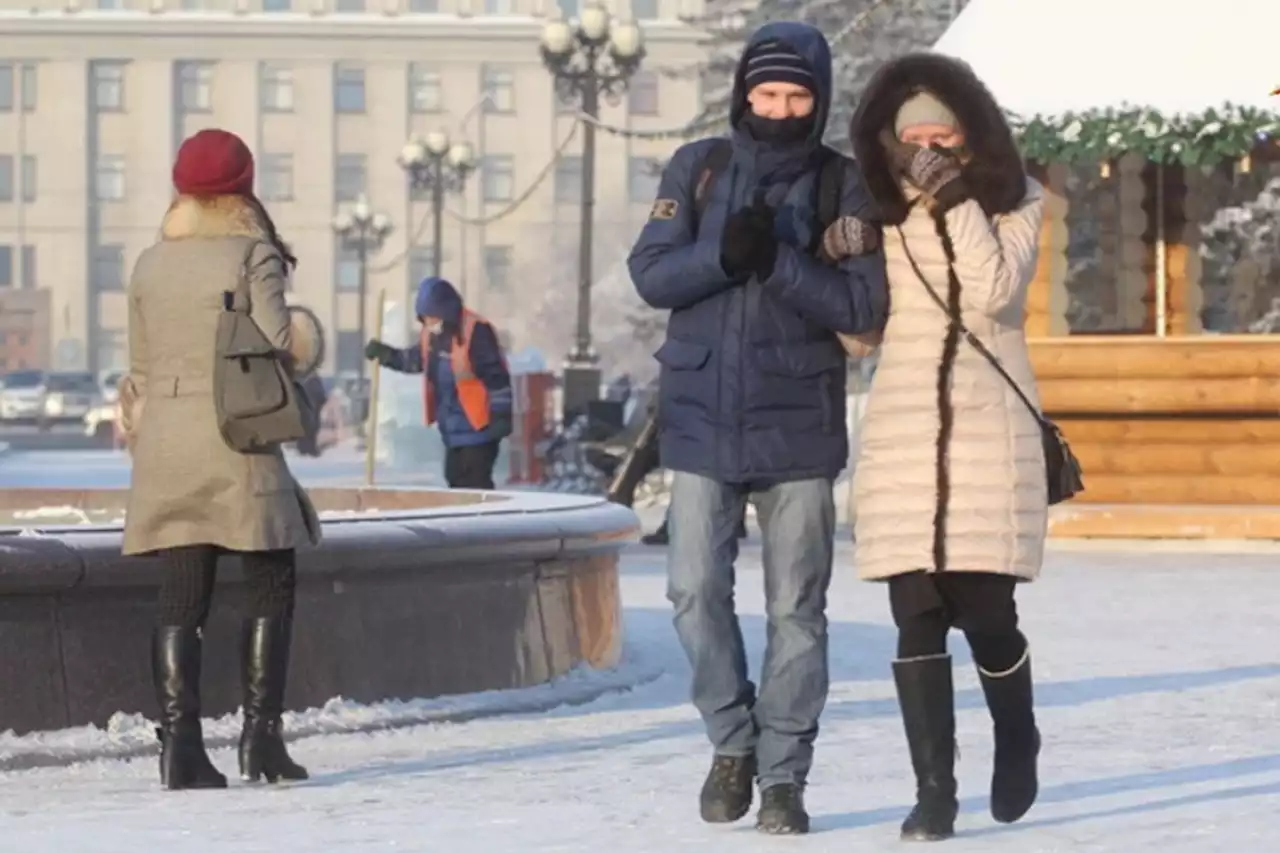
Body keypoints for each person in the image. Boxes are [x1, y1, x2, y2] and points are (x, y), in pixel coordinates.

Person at [627, 22, 887, 834]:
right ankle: (731, 739)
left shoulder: (843, 185)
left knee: (796, 611)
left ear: (818, 99)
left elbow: (863, 307)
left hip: (798, 426)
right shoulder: (698, 169)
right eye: (766, 93)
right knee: (692, 593)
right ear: (745, 92)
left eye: (796, 94)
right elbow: (652, 273)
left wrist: (779, 262)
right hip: (703, 418)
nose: (778, 107)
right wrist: (724, 258)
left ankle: (783, 775)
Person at [841, 52, 1048, 841]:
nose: (926, 150)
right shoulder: (882, 212)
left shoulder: (1016, 200)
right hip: (904, 430)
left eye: (943, 136)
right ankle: (935, 791)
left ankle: (1017, 736)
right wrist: (840, 260)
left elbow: (995, 293)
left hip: (989, 421)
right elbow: (860, 335)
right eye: (913, 137)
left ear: (970, 136)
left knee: (988, 610)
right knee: (916, 616)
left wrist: (954, 200)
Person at [122, 128, 319, 790]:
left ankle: (180, 746)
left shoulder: (149, 262)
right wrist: (308, 339)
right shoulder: (251, 252)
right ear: (242, 186)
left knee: (182, 594)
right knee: (271, 575)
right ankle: (262, 740)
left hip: (168, 441)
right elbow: (276, 339)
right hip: (239, 436)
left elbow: (139, 367)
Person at [364, 276, 513, 489]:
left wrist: (501, 415)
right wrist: (386, 355)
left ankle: (481, 522)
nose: (428, 323)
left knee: (474, 488)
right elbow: (415, 361)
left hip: (479, 428)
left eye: (432, 318)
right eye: (425, 318)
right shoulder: (433, 336)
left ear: (446, 312)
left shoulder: (476, 332)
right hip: (452, 430)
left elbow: (497, 377)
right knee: (455, 481)